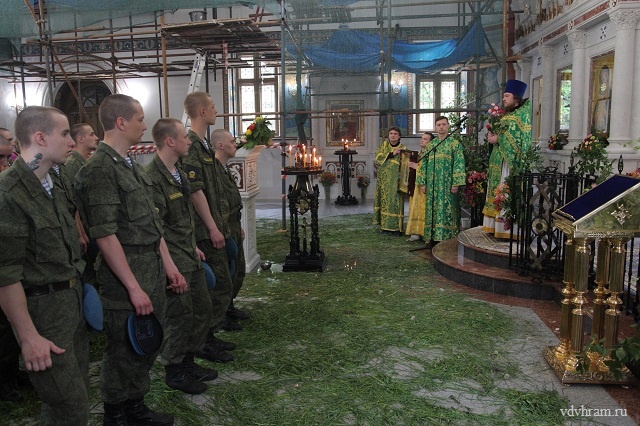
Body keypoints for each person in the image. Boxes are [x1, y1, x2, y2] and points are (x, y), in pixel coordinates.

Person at [75, 94, 182, 426]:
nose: (144, 124)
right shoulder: (100, 168)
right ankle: (116, 412)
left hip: (149, 265)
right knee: (124, 346)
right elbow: (106, 236)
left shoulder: (128, 164)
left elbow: (150, 222)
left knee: (146, 343)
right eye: (138, 118)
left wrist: (168, 264)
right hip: (125, 275)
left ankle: (135, 405)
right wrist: (134, 288)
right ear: (120, 122)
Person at [0, 106, 88, 424]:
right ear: (40, 137)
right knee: (70, 406)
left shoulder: (53, 182)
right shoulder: (9, 194)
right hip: (42, 313)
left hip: (69, 305)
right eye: (64, 134)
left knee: (71, 399)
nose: (71, 141)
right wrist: (28, 337)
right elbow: (5, 277)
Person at [146, 118, 217, 395]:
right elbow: (156, 229)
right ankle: (174, 369)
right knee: (179, 317)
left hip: (188, 253)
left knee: (201, 309)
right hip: (173, 260)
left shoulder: (177, 172)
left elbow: (182, 218)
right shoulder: (153, 178)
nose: (189, 141)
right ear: (170, 141)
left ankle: (188, 360)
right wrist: (169, 266)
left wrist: (193, 245)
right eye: (183, 138)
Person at [181, 91, 237, 364]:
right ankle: (203, 341)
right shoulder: (191, 145)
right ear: (202, 111)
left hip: (214, 226)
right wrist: (213, 228)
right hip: (204, 232)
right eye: (213, 107)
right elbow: (195, 191)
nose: (217, 111)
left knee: (221, 285)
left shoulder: (201, 145)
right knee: (218, 287)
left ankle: (209, 337)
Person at [482, 79, 532, 239]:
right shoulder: (509, 115)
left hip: (508, 164)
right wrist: (492, 137)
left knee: (505, 192)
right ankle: (493, 226)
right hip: (499, 160)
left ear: (516, 98)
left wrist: (499, 139)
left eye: (507, 96)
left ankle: (507, 229)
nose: (504, 99)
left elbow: (518, 140)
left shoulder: (520, 116)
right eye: (504, 96)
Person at [211, 129, 247, 319]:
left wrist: (237, 226)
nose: (235, 144)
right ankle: (222, 314)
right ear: (220, 145)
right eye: (232, 142)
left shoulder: (224, 168)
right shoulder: (214, 171)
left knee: (238, 270)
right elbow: (219, 205)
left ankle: (229, 306)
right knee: (227, 270)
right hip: (223, 227)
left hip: (233, 223)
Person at [417, 116, 466, 247]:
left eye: (443, 124)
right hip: (432, 185)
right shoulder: (432, 145)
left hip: (447, 185)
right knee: (432, 210)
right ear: (435, 127)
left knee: (447, 210)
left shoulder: (454, 144)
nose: (441, 127)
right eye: (438, 125)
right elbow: (424, 164)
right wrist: (423, 183)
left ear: (448, 126)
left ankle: (448, 238)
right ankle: (432, 237)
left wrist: (456, 183)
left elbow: (459, 164)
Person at [61, 123, 100, 282]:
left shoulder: (84, 163)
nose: (96, 137)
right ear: (81, 139)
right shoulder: (71, 165)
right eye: (91, 134)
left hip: (91, 228)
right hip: (84, 229)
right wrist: (80, 233)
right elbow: (73, 204)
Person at [373, 126, 406, 234]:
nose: (393, 135)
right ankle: (384, 227)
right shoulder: (383, 146)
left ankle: (396, 228)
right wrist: (392, 154)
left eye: (395, 133)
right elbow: (378, 158)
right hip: (383, 181)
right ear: (388, 136)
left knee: (395, 203)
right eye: (391, 133)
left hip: (396, 181)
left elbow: (405, 166)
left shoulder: (403, 149)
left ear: (399, 136)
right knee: (384, 203)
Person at [405, 132, 433, 241]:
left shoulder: (432, 154)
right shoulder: (418, 154)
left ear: (431, 142)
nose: (422, 140)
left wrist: (417, 167)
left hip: (426, 186)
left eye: (425, 139)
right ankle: (415, 231)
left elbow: (431, 169)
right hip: (416, 185)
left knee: (424, 209)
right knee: (414, 207)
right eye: (422, 138)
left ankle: (425, 232)